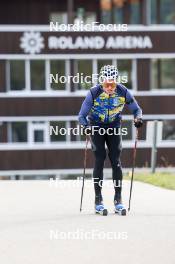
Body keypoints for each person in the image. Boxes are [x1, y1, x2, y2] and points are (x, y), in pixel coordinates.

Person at [78, 65, 143, 216]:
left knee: (116, 160)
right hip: (97, 126)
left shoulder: (123, 91)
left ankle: (118, 200)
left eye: (112, 84)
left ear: (116, 82)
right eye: (106, 84)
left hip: (114, 126)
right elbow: (81, 115)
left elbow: (136, 109)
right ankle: (98, 200)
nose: (109, 87)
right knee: (100, 159)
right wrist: (85, 126)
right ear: (101, 82)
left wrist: (138, 118)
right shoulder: (93, 92)